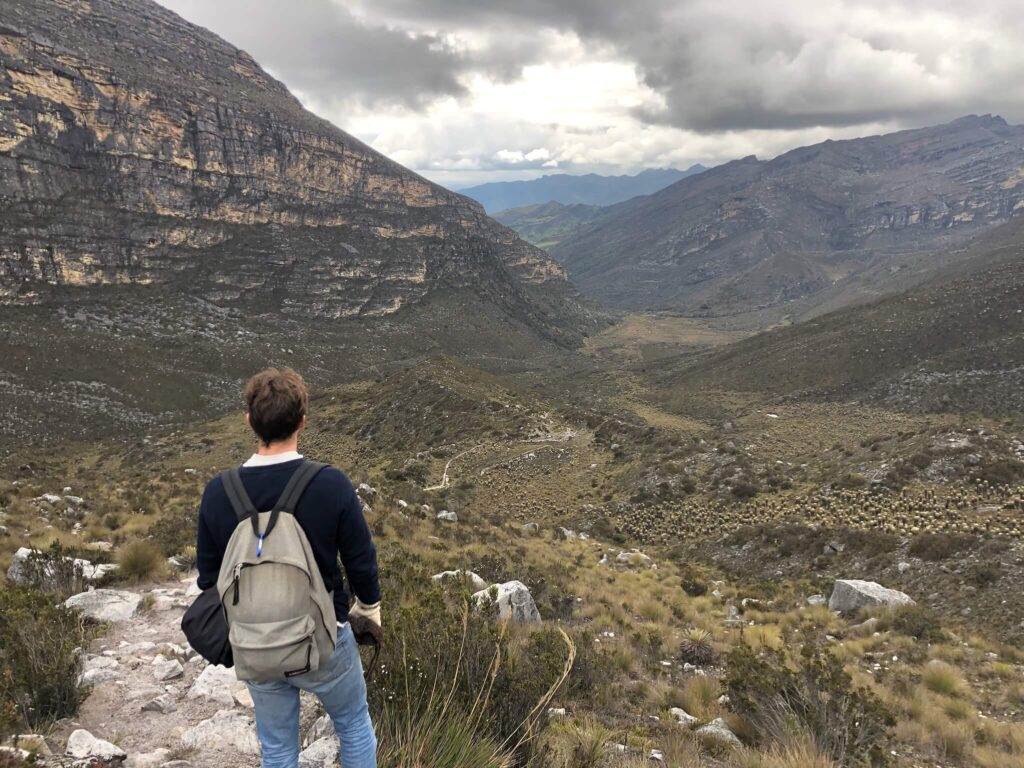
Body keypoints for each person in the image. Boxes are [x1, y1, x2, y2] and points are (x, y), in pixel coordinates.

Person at [195, 367, 379, 767]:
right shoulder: (330, 484)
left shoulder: (218, 492)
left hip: (254, 645)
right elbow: (361, 561)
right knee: (352, 723)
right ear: (302, 421)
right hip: (324, 638)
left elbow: (209, 579)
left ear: (249, 421)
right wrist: (369, 608)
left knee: (278, 748)